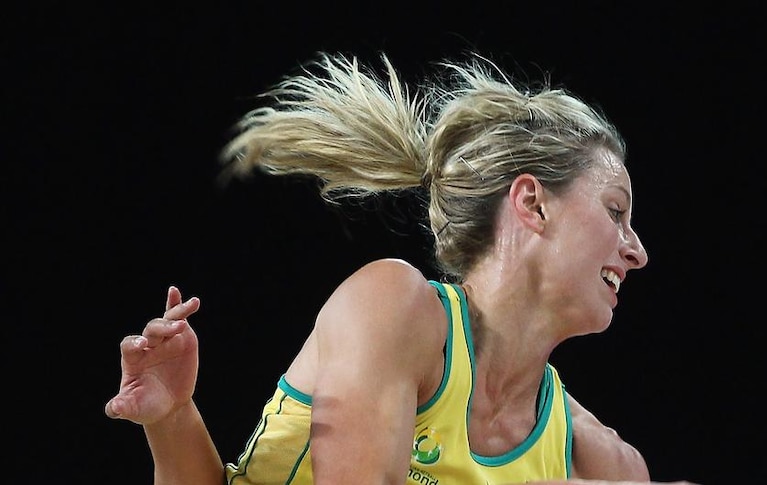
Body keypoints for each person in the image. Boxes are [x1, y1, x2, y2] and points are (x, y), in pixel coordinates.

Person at [105, 52, 694, 485]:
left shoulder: (601, 461)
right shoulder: (393, 307)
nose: (636, 249)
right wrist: (174, 421)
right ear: (532, 203)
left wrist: (174, 420)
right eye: (615, 212)